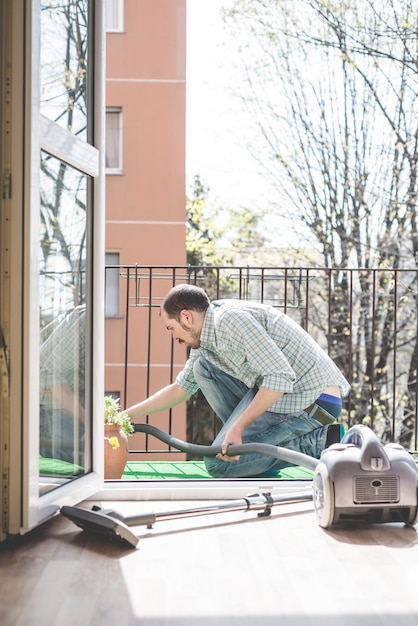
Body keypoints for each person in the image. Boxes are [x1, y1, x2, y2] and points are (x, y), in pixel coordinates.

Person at [126, 284, 351, 478]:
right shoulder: (206, 337)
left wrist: (239, 427)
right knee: (203, 369)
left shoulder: (230, 320)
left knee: (218, 465)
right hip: (283, 396)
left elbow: (280, 377)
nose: (174, 337)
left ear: (186, 317)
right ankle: (250, 456)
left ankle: (320, 442)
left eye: (171, 328)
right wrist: (126, 416)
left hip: (311, 402)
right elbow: (180, 389)